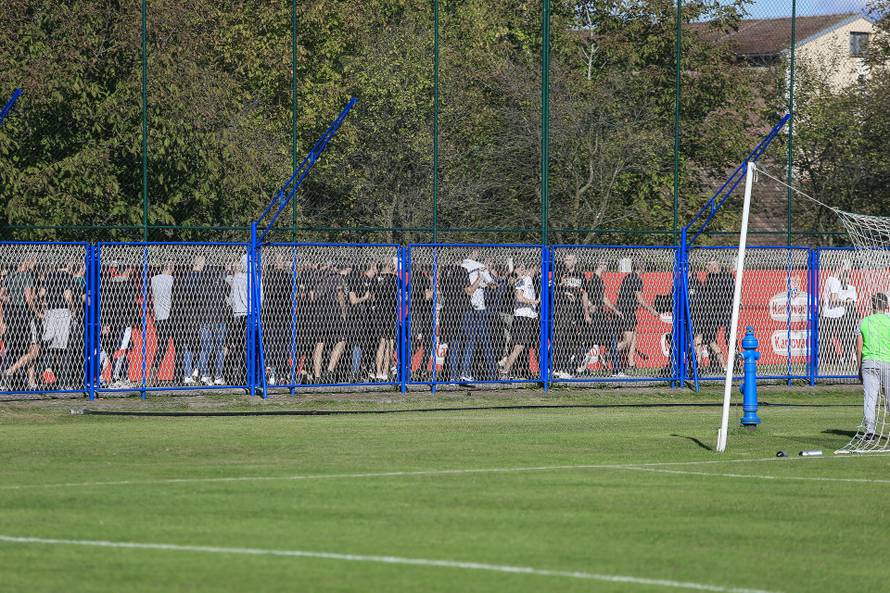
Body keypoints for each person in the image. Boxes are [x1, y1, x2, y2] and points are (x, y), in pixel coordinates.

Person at [448, 249, 496, 382]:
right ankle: (469, 371)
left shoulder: (450, 270)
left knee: (456, 341)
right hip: (469, 307)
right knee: (473, 339)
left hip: (454, 309)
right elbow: (470, 290)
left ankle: (454, 375)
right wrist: (481, 279)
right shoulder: (473, 267)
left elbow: (491, 284)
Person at [613, 260, 659, 375]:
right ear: (641, 267)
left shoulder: (628, 277)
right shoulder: (636, 279)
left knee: (634, 337)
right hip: (626, 312)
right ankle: (610, 354)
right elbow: (639, 299)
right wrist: (652, 310)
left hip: (629, 311)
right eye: (644, 266)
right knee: (627, 340)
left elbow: (629, 296)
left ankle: (631, 363)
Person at [2, 254, 41, 390]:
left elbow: (2, 295)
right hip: (25, 316)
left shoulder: (10, 276)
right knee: (33, 350)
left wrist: (11, 301)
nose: (35, 264)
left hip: (12, 314)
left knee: (19, 348)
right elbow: (28, 298)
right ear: (27, 261)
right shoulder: (27, 276)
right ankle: (10, 371)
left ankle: (31, 381)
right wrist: (38, 313)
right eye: (34, 262)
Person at [857, 292, 890, 441]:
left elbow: (859, 347)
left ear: (872, 306)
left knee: (870, 398)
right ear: (887, 306)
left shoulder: (864, 321)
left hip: (869, 363)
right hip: (887, 363)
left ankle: (869, 432)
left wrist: (859, 366)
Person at [498, 261, 538, 378]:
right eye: (521, 268)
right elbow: (519, 298)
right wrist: (534, 302)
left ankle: (516, 370)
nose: (524, 271)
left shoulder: (530, 280)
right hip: (522, 317)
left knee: (526, 345)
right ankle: (505, 370)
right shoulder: (521, 281)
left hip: (531, 316)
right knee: (518, 346)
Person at [40, 259, 75, 387]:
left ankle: (45, 369)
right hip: (62, 312)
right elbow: (67, 295)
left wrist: (44, 308)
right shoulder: (67, 276)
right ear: (68, 265)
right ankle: (64, 381)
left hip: (50, 311)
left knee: (49, 343)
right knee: (62, 347)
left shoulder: (49, 275)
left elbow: (42, 294)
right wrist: (73, 309)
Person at [552, 253, 588, 379]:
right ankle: (557, 367)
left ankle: (570, 367)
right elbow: (554, 288)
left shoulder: (580, 275)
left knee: (575, 340)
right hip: (563, 310)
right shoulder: (560, 273)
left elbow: (584, 294)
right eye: (565, 259)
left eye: (569, 259)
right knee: (560, 337)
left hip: (576, 312)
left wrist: (586, 313)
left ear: (575, 261)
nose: (567, 262)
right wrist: (563, 290)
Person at [698, 259, 734, 373]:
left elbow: (733, 291)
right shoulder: (709, 278)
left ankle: (736, 362)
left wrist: (738, 301)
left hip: (726, 311)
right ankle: (715, 364)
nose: (706, 268)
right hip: (713, 313)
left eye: (708, 265)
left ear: (715, 266)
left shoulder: (726, 276)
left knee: (729, 337)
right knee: (711, 338)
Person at [175, 255, 206, 385]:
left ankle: (187, 375)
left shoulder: (184, 278)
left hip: (186, 317)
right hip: (200, 316)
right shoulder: (203, 279)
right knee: (204, 346)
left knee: (187, 347)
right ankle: (196, 369)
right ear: (201, 264)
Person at [822, 261, 859, 369]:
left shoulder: (829, 279)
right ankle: (833, 359)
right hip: (833, 316)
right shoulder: (835, 281)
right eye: (845, 269)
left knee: (842, 338)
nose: (846, 271)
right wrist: (845, 301)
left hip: (835, 315)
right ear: (840, 268)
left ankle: (844, 358)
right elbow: (833, 299)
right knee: (830, 339)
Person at [148, 262, 175, 383]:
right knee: (177, 345)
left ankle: (154, 370)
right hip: (171, 315)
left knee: (162, 346)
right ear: (170, 268)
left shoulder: (153, 279)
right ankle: (178, 375)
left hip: (158, 316)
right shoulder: (172, 279)